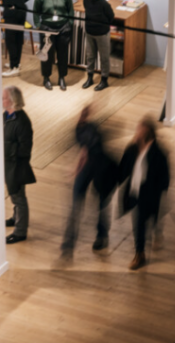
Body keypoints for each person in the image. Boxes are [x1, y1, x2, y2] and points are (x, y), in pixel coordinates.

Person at [61, 106, 116, 257]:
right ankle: (69, 244)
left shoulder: (91, 129)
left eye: (83, 113)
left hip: (100, 168)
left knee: (101, 203)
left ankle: (101, 236)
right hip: (89, 168)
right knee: (77, 205)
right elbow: (83, 152)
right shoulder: (79, 130)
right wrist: (75, 170)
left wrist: (75, 170)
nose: (81, 116)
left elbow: (85, 153)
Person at [117, 118, 170, 271]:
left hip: (148, 195)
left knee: (145, 219)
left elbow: (165, 179)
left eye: (139, 131)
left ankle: (143, 249)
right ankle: (140, 253)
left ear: (147, 133)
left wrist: (156, 191)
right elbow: (122, 169)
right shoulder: (133, 149)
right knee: (139, 223)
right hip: (135, 193)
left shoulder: (158, 154)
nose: (136, 133)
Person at [3, 85, 35, 244]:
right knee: (14, 194)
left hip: (16, 166)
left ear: (12, 100)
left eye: (4, 98)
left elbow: (25, 148)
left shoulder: (22, 121)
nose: (1, 100)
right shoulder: (6, 116)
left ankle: (20, 231)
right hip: (8, 164)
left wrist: (10, 153)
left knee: (19, 197)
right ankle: (16, 218)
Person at [32, 0, 74, 91]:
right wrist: (38, 25)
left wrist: (69, 24)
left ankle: (62, 78)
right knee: (46, 55)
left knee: (63, 54)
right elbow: (35, 12)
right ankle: (46, 78)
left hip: (63, 28)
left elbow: (70, 10)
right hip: (47, 29)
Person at [82, 0, 115, 91]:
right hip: (89, 32)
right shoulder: (86, 1)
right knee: (90, 56)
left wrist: (102, 27)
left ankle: (104, 80)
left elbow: (111, 17)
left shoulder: (104, 4)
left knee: (104, 58)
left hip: (102, 34)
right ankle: (90, 78)